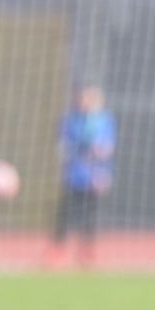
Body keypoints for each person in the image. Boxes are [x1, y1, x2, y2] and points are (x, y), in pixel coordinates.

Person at [47, 84, 115, 269]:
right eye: (83, 98)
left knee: (90, 215)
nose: (85, 102)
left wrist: (101, 163)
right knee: (66, 214)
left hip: (95, 176)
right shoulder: (70, 120)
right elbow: (62, 145)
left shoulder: (104, 120)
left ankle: (87, 252)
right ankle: (57, 251)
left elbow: (107, 147)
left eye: (90, 98)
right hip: (74, 175)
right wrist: (76, 152)